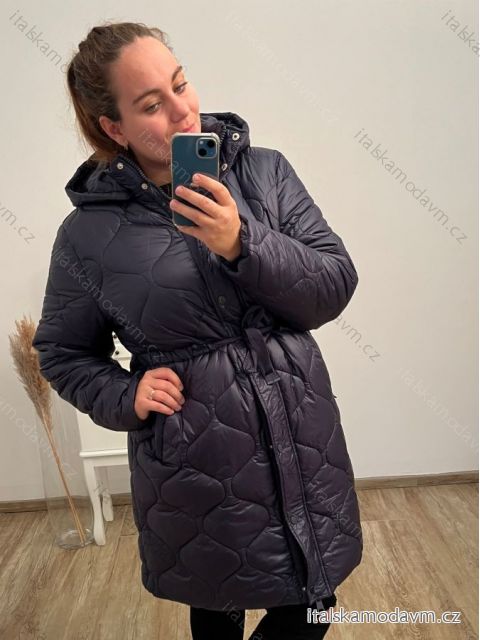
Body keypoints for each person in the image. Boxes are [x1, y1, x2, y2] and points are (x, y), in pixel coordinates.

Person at [32, 21, 363, 639]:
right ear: (114, 128)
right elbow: (62, 351)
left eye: (180, 84)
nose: (183, 111)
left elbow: (334, 283)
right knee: (216, 607)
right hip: (196, 459)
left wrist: (243, 242)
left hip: (300, 433)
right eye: (151, 105)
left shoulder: (265, 174)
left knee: (314, 602)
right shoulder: (86, 235)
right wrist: (126, 394)